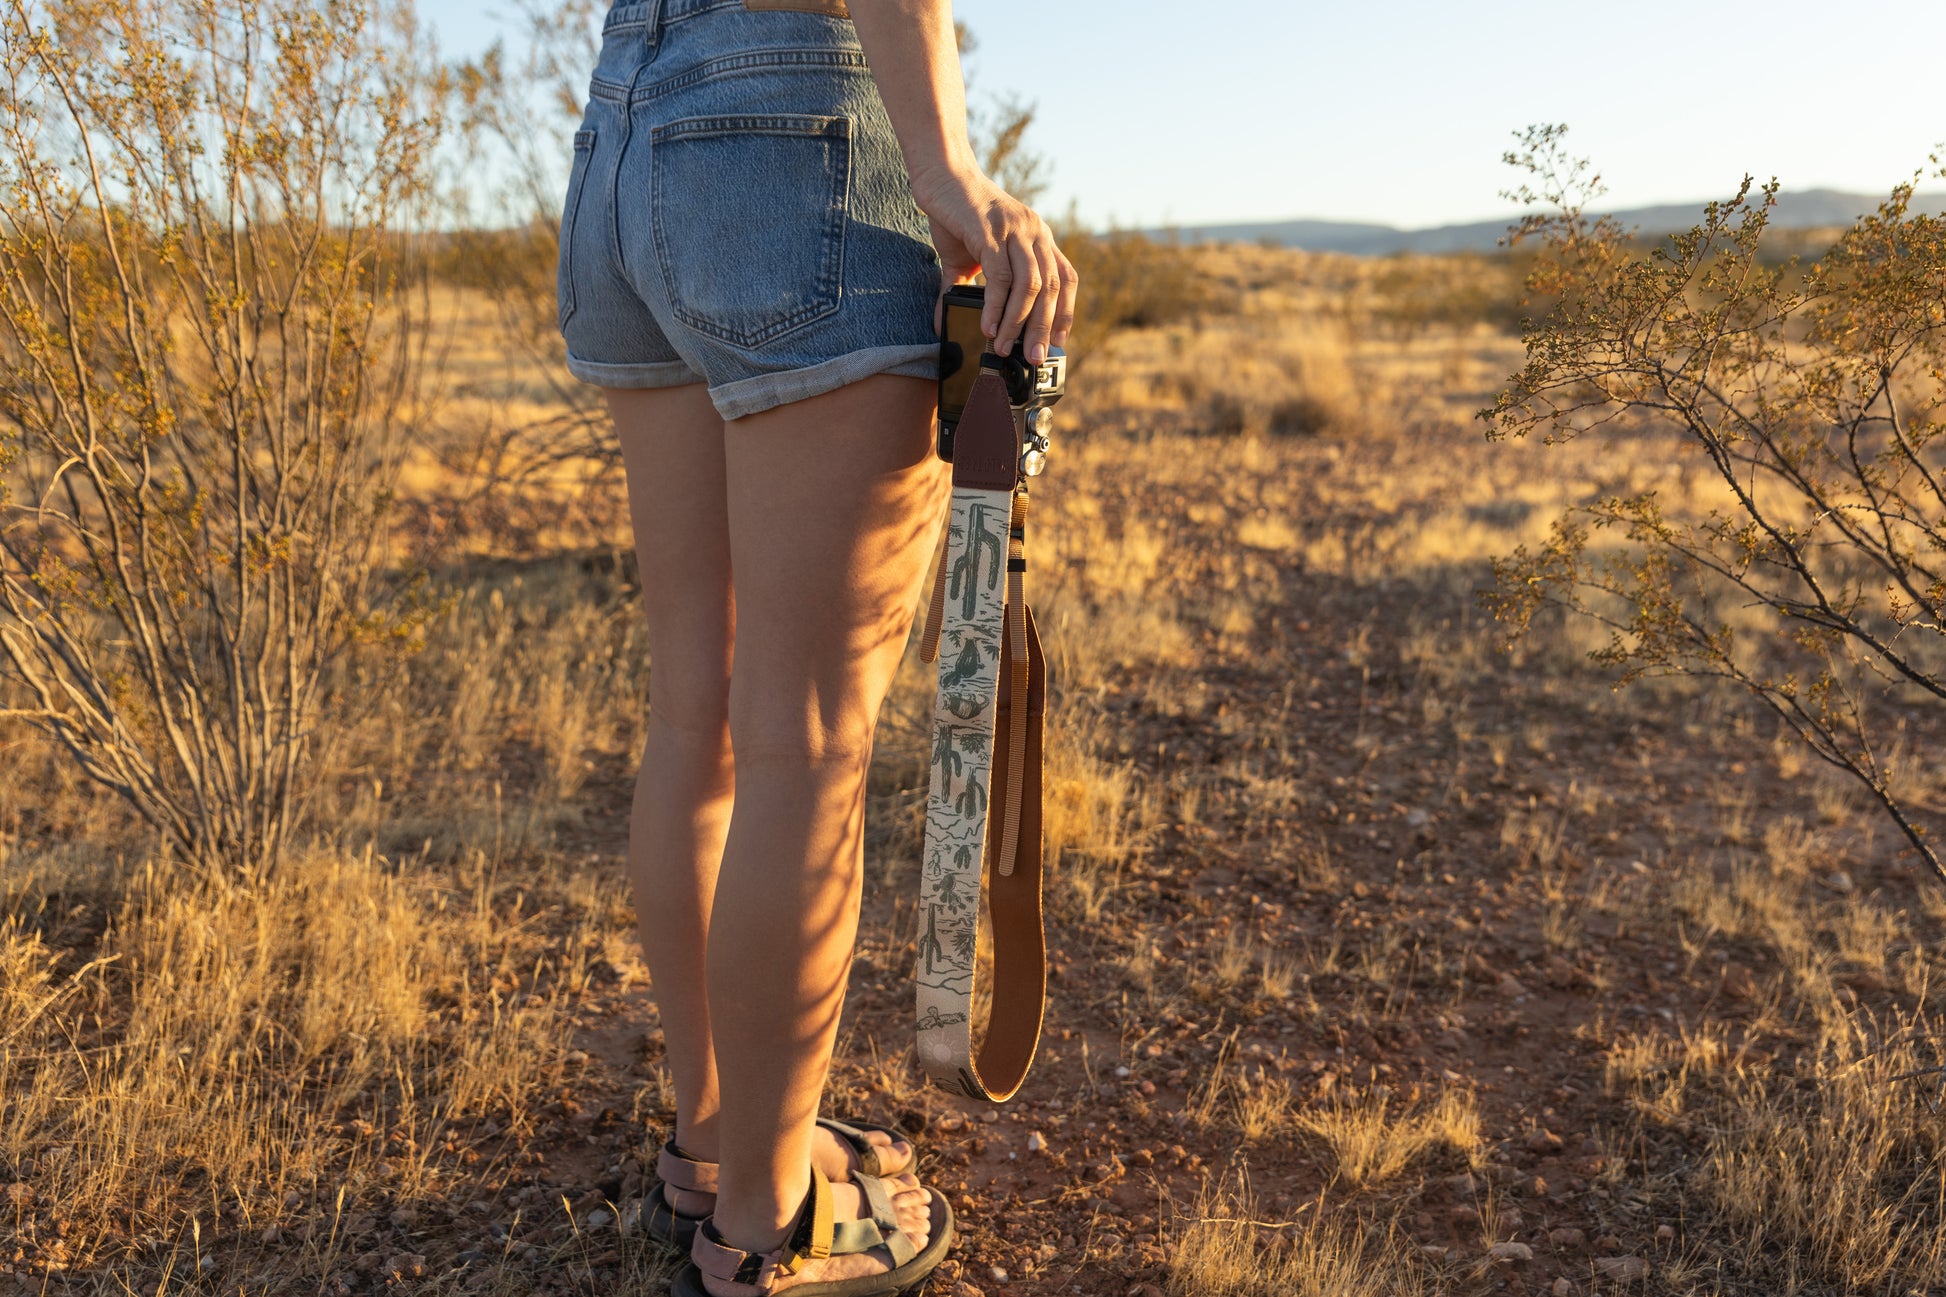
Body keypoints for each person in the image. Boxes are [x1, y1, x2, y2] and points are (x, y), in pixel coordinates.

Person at [555, 1, 1077, 1293]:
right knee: (803, 744)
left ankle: (718, 1139)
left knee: (699, 714)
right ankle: (765, 1224)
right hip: (803, 144)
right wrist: (948, 167)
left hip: (627, 131)